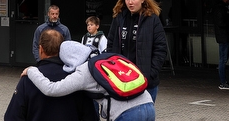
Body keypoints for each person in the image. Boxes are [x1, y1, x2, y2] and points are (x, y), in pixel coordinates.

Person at [24, 40, 154, 121]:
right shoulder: (105, 58)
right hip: (148, 106)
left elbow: (51, 89)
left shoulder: (84, 70)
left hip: (127, 114)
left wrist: (31, 70)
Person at [4, 29, 98, 121]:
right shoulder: (77, 78)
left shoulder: (28, 79)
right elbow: (90, 116)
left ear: (40, 49)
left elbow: (12, 116)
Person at [108, 0, 168, 102]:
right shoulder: (119, 18)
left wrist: (150, 74)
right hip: (121, 80)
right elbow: (110, 44)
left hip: (145, 82)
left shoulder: (152, 19)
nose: (130, 2)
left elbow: (161, 49)